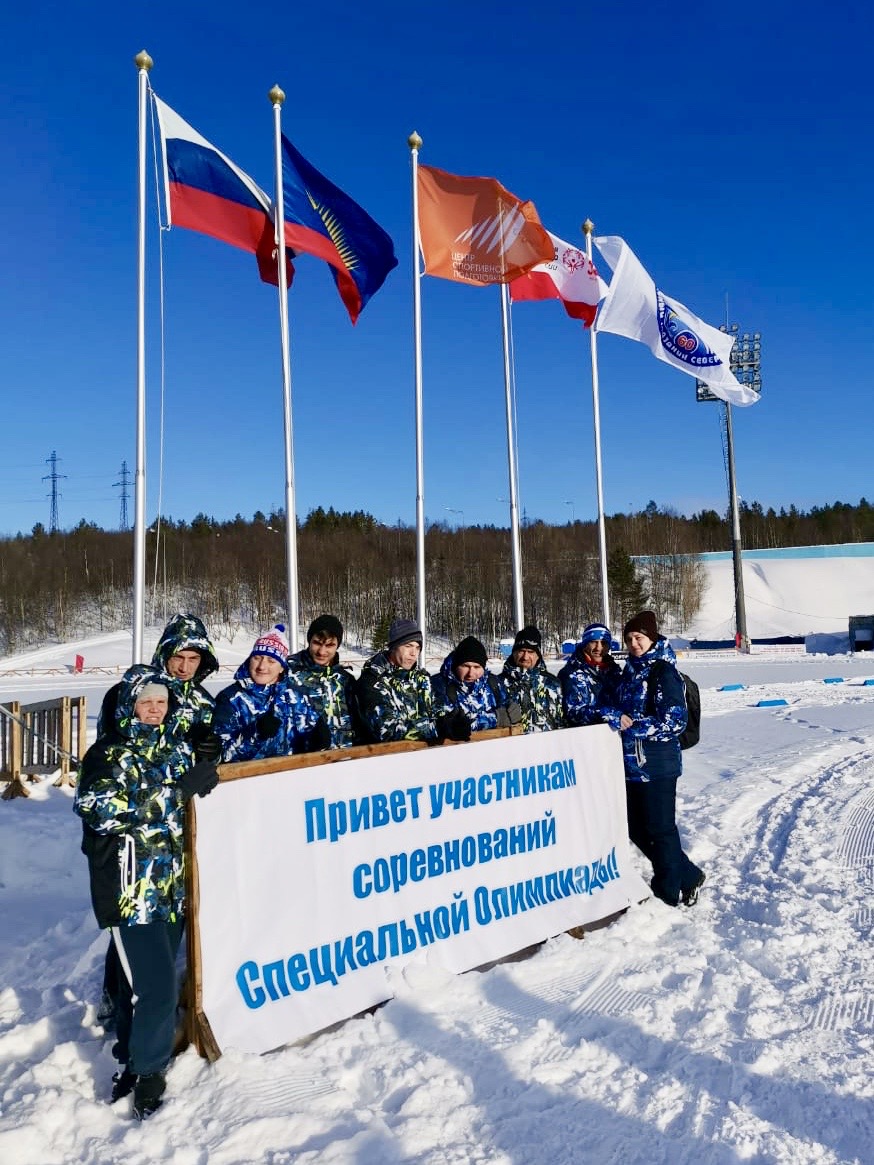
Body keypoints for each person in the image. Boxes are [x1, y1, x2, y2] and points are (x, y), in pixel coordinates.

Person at [73, 665, 219, 1120]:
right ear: (128, 705)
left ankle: (134, 1053)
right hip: (130, 893)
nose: (155, 709)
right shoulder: (106, 754)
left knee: (144, 987)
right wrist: (177, 790)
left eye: (161, 702)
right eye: (146, 702)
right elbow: (98, 810)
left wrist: (208, 771)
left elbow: (194, 796)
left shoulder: (174, 748)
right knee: (154, 989)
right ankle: (148, 1071)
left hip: (171, 889)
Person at [95, 613, 220, 1033]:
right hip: (137, 840)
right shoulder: (131, 691)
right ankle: (116, 997)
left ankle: (155, 1013)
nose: (185, 666)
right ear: (165, 653)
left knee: (169, 926)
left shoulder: (203, 702)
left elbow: (208, 770)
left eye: (193, 659)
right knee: (131, 930)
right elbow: (111, 754)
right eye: (178, 656)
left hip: (179, 834)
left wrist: (212, 749)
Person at [599, 610, 705, 908]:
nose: (634, 644)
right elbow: (613, 708)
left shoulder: (663, 671)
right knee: (634, 826)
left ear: (652, 638)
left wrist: (634, 727)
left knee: (661, 828)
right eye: (629, 638)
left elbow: (674, 722)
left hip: (658, 765)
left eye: (639, 638)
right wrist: (613, 716)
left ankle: (667, 891)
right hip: (631, 765)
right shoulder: (630, 671)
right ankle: (689, 873)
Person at [213, 624, 329, 761]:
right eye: (257, 658)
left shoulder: (298, 697)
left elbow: (307, 746)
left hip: (292, 776)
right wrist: (255, 733)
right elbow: (219, 755)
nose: (262, 666)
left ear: (281, 668)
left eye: (271, 661)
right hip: (247, 779)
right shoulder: (230, 699)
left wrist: (317, 743)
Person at [357, 618, 468, 744]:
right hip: (385, 758)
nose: (413, 653)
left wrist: (451, 720)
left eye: (417, 647)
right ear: (393, 647)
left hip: (422, 756)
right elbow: (385, 729)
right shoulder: (372, 680)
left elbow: (436, 707)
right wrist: (437, 728)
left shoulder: (421, 677)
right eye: (408, 646)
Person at [286, 614, 361, 748]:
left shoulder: (345, 680)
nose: (322, 651)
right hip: (302, 760)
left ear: (337, 645)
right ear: (309, 640)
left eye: (330, 645)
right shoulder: (288, 672)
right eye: (317, 643)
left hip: (344, 757)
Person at [431, 635, 521, 733]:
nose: (471, 673)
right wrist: (496, 718)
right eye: (465, 666)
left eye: (477, 667)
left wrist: (514, 712)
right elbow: (435, 724)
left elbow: (508, 711)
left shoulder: (493, 683)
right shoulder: (437, 686)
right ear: (455, 665)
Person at [499, 626, 563, 733]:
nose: (525, 656)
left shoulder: (553, 683)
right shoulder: (498, 684)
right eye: (521, 651)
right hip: (512, 746)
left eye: (530, 652)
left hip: (546, 746)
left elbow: (562, 722)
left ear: (538, 655)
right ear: (514, 652)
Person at [559, 622, 621, 727]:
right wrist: (608, 714)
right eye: (593, 642)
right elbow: (573, 713)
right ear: (585, 644)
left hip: (613, 737)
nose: (598, 648)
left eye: (604, 643)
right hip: (585, 737)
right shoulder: (570, 674)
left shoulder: (614, 672)